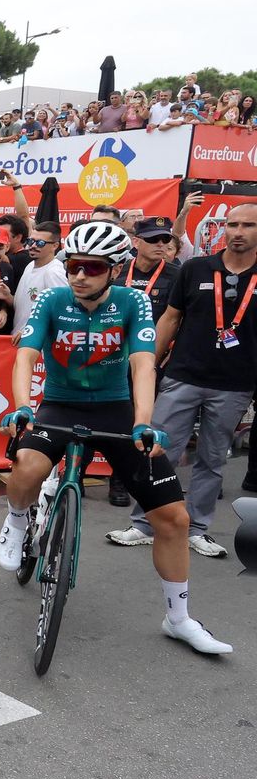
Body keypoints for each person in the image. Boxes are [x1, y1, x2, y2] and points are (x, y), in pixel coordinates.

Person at [0, 221, 231, 655]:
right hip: (59, 404)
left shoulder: (134, 301)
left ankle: (178, 618)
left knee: (174, 520)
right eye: (73, 265)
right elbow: (26, 354)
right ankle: (15, 518)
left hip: (116, 410)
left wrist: (144, 421)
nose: (80, 275)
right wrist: (22, 405)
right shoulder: (52, 298)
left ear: (116, 268)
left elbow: (144, 363)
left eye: (92, 267)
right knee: (27, 465)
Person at [107, 202, 257, 559]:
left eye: (247, 225)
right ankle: (143, 523)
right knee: (158, 451)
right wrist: (150, 368)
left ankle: (198, 529)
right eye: (232, 224)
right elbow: (170, 319)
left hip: (235, 384)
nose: (237, 231)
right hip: (183, 376)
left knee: (212, 459)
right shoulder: (195, 268)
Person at [8, 221, 67, 338]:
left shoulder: (54, 272)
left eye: (40, 243)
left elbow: (62, 313)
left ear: (55, 246)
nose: (33, 246)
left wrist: (31, 331)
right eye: (31, 241)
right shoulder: (30, 266)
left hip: (36, 344)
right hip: (19, 340)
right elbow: (24, 307)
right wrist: (7, 297)